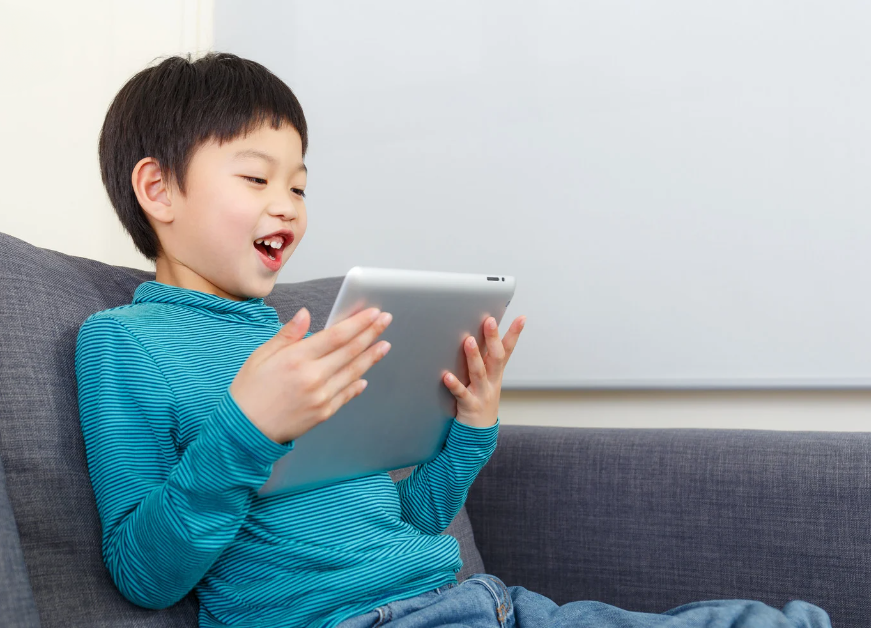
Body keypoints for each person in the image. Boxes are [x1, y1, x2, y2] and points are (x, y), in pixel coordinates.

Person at [74, 52, 831, 628]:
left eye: (299, 186)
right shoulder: (125, 343)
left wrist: (468, 428)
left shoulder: (312, 341)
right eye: (256, 179)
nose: (288, 207)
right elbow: (145, 571)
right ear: (158, 190)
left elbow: (410, 524)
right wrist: (247, 430)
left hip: (480, 604)